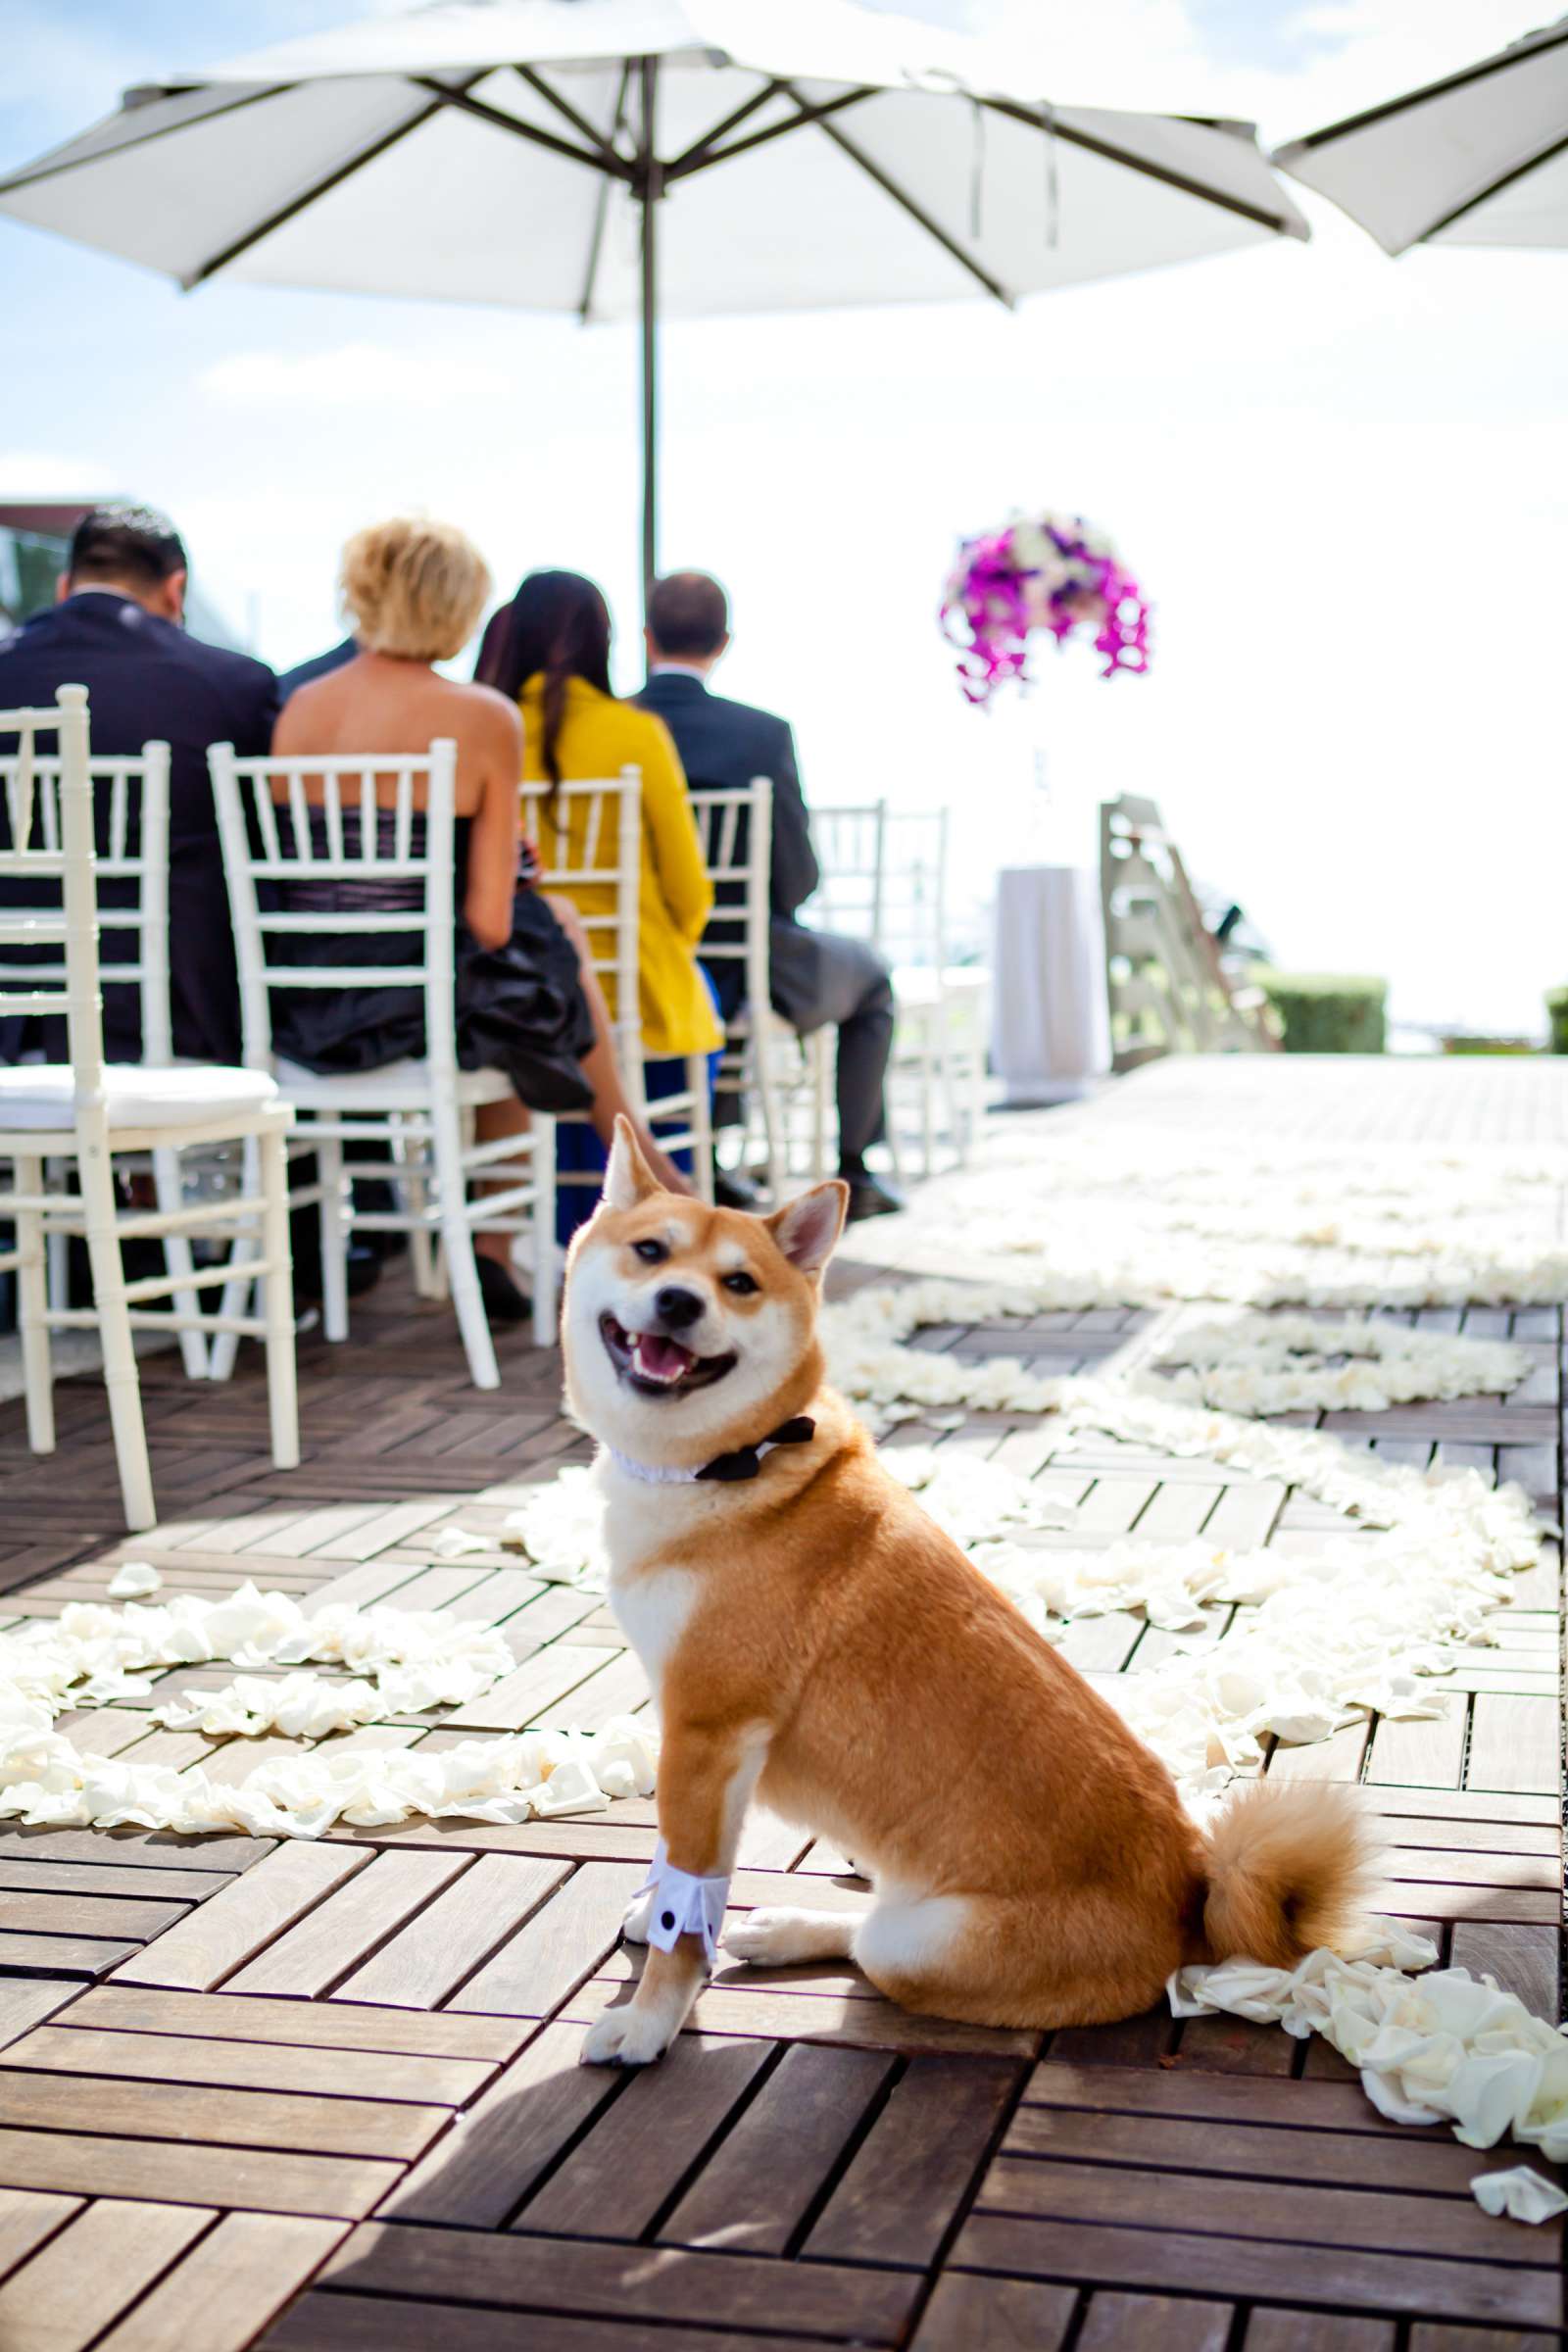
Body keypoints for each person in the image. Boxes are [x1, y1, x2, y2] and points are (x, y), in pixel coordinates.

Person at [274, 520, 684, 1321]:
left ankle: (551, 1211)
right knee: (539, 952)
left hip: (309, 1013)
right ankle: (633, 1165)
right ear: (462, 609)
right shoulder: (481, 717)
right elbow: (490, 924)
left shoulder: (299, 712)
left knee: (533, 969)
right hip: (414, 1014)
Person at [637, 570, 902, 1221]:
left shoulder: (622, 727)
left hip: (650, 957)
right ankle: (854, 1167)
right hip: (749, 958)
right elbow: (797, 876)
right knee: (874, 981)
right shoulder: (761, 734)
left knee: (735, 972)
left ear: (647, 639)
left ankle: (717, 1160)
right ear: (723, 641)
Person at [476, 570, 721, 1226]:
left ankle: (554, 1218)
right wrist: (672, 945)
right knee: (704, 1003)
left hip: (513, 983)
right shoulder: (635, 733)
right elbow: (688, 888)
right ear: (604, 643)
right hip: (632, 980)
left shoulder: (483, 728)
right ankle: (650, 1202)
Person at [0, 503, 276, 1064]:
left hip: (13, 1014)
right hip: (182, 1016)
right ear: (176, 591)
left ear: (63, 587)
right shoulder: (235, 684)